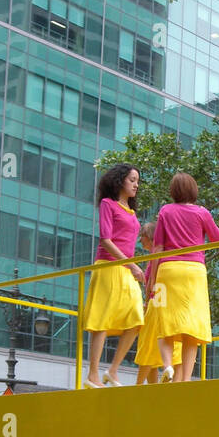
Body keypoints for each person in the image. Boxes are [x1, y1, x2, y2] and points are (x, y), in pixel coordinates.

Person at [151, 172, 219, 382]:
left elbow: (157, 246)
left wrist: (151, 280)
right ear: (194, 190)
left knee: (164, 321)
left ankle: (168, 366)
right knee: (192, 327)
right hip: (194, 272)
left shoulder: (165, 211)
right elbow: (218, 239)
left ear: (173, 191)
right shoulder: (202, 212)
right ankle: (185, 379)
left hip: (167, 271)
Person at [84, 163, 145, 387]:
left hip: (126, 269)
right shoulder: (108, 204)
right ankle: (92, 374)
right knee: (102, 319)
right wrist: (133, 266)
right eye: (132, 180)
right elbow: (106, 240)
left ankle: (113, 369)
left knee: (136, 320)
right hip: (109, 267)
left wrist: (132, 266)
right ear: (120, 181)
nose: (136, 185)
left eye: (137, 181)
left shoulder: (131, 210)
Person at [134, 221, 181, 385]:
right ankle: (155, 386)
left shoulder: (156, 254)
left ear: (149, 236)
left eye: (142, 236)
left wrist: (147, 302)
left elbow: (150, 284)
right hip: (171, 302)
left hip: (157, 301)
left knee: (147, 345)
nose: (140, 240)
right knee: (165, 346)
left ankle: (139, 385)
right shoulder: (170, 253)